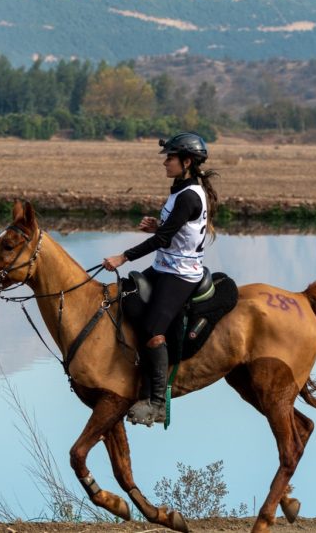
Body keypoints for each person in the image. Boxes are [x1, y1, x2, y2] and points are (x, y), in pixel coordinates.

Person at [102, 131, 220, 426]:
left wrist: (123, 257)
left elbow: (165, 239)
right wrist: (160, 225)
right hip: (166, 266)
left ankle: (156, 404)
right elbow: (173, 232)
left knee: (154, 328)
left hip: (180, 274)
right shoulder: (181, 189)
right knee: (126, 296)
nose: (165, 162)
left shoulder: (190, 196)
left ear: (187, 161)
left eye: (170, 157)